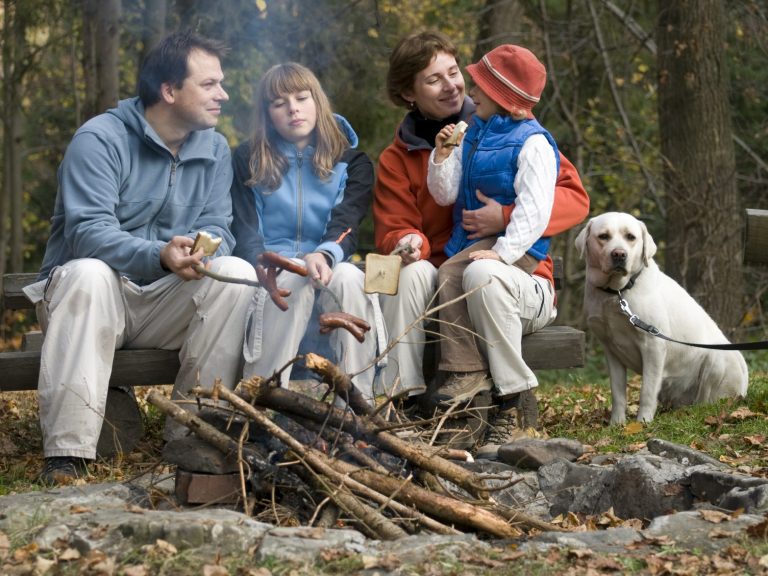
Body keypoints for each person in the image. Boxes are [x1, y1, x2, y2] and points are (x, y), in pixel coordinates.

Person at [26, 31, 258, 485]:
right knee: (88, 273)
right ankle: (66, 457)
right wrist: (159, 254)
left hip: (164, 301)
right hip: (94, 299)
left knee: (236, 271)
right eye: (209, 85)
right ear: (170, 91)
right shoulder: (100, 139)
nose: (222, 95)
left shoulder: (213, 148)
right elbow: (87, 233)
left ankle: (193, 434)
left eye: (221, 83)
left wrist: (202, 251)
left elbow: (219, 227)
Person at [373, 31, 589, 452]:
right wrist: (409, 240)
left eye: (454, 72)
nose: (452, 85)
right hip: (441, 284)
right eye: (434, 79)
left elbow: (572, 197)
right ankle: (404, 402)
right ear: (408, 93)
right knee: (403, 273)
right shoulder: (397, 158)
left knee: (480, 275)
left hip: (502, 274)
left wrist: (504, 218)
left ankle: (488, 408)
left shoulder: (508, 132)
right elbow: (391, 230)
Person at [230, 63, 377, 400]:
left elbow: (347, 223)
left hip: (328, 261)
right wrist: (267, 261)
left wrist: (323, 253)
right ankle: (264, 402)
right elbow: (245, 226)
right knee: (291, 278)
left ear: (317, 102)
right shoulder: (247, 158)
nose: (293, 109)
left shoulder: (351, 162)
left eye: (301, 97)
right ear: (267, 113)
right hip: (270, 268)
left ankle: (358, 406)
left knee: (351, 279)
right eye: (279, 103)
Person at [427, 44, 557, 413]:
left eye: (479, 87)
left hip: (519, 250)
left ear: (502, 95)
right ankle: (469, 377)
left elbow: (535, 211)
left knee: (459, 273)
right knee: (451, 273)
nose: (471, 93)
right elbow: (444, 194)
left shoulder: (533, 142)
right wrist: (442, 156)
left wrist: (503, 253)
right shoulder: (473, 133)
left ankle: (470, 373)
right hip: (477, 243)